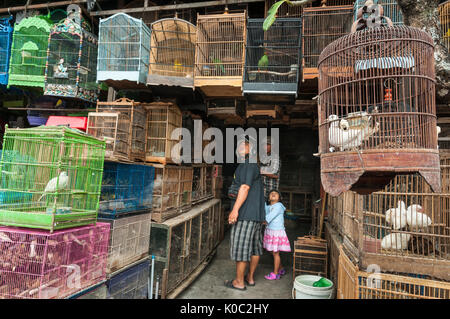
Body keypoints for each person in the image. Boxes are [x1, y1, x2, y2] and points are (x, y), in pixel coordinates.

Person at [225, 135, 265, 291]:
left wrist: (235, 210)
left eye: (244, 145)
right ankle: (250, 278)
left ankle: (239, 282)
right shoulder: (252, 165)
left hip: (245, 214)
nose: (240, 147)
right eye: (239, 145)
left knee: (241, 249)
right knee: (255, 248)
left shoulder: (248, 164)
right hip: (256, 216)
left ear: (252, 149)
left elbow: (244, 188)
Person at [263, 189, 291, 280]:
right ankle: (281, 268)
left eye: (276, 194)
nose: (273, 194)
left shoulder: (279, 206)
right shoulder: (268, 206)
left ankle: (275, 274)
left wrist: (261, 221)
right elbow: (264, 210)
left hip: (276, 232)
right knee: (272, 251)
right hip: (270, 231)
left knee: (275, 253)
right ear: (268, 198)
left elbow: (268, 217)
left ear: (279, 198)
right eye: (271, 194)